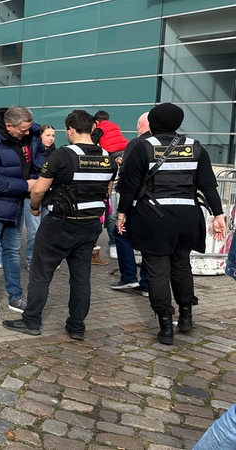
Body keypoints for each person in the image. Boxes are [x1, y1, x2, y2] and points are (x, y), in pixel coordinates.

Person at [116, 102, 225, 345]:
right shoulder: (195, 147)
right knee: (181, 265)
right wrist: (218, 215)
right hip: (188, 216)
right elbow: (208, 185)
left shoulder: (143, 147)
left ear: (152, 124)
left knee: (156, 270)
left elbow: (130, 187)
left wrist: (122, 214)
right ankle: (186, 316)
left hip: (154, 217)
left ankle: (166, 325)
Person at [2, 110, 116, 340]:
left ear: (70, 130)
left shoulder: (63, 155)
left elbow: (39, 189)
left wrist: (35, 206)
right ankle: (76, 326)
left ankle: (31, 320)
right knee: (81, 277)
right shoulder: (108, 157)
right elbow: (108, 191)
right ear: (92, 129)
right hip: (89, 224)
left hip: (60, 223)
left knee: (41, 273)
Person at [0, 106, 43, 319]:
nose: (26, 133)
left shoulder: (29, 136)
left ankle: (15, 296)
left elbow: (36, 161)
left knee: (13, 252)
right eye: (22, 130)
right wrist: (25, 185)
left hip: (14, 204)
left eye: (29, 129)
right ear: (8, 126)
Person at [110, 112, 150, 296]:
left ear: (141, 125)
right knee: (152, 242)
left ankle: (129, 277)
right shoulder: (166, 145)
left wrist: (121, 212)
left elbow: (128, 178)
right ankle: (148, 284)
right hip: (159, 205)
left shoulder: (136, 144)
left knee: (121, 234)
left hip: (136, 201)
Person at [93, 110, 129, 258]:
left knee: (106, 211)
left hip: (109, 161)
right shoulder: (115, 126)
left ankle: (95, 245)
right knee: (113, 210)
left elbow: (92, 142)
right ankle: (113, 244)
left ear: (96, 122)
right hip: (121, 155)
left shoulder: (99, 128)